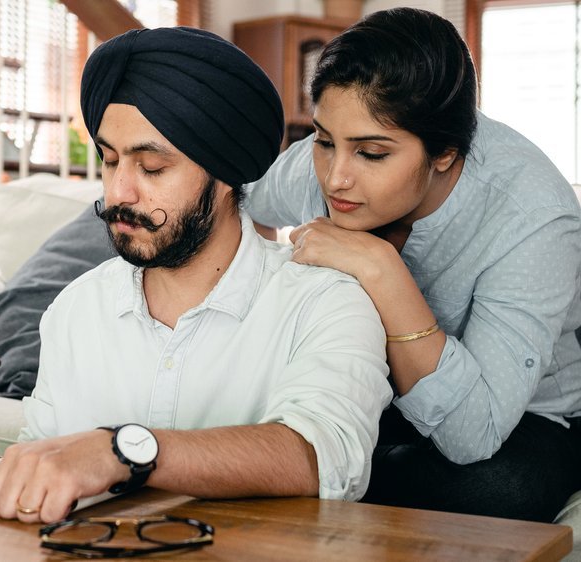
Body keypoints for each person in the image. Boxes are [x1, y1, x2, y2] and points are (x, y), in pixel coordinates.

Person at [0, 26, 393, 523]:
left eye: (152, 167)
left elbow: (324, 460)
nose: (119, 192)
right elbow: (49, 471)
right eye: (109, 160)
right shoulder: (76, 309)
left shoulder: (326, 300)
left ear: (226, 174)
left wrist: (121, 451)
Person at [244, 7, 581, 522]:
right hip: (377, 391)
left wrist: (379, 268)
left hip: (524, 414)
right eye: (325, 141)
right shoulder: (324, 164)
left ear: (445, 152)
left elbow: (475, 432)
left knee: (499, 492)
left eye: (372, 154)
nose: (336, 179)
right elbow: (239, 206)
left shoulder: (533, 216)